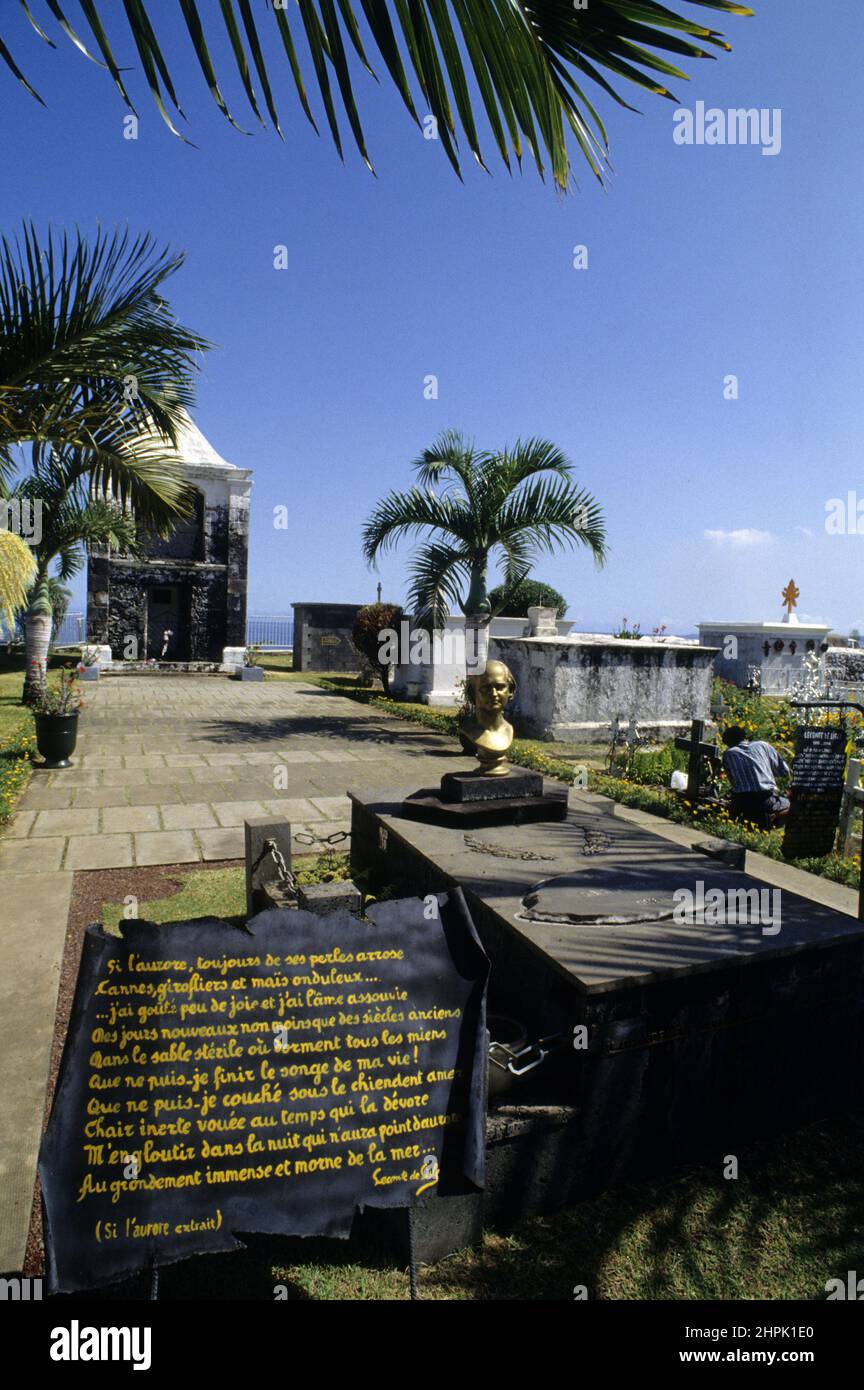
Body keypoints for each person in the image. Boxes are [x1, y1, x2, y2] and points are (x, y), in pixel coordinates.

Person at [722, 724, 791, 829]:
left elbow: (734, 782)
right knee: (794, 805)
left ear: (728, 743)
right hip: (766, 798)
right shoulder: (763, 745)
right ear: (745, 737)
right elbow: (784, 771)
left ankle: (750, 819)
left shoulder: (728, 754)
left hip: (742, 801)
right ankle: (774, 817)